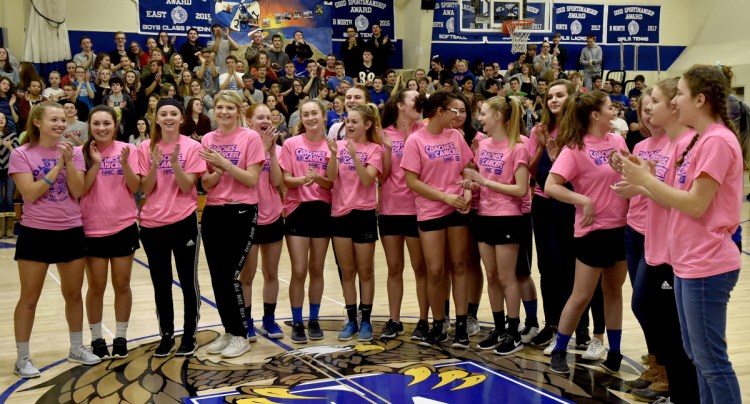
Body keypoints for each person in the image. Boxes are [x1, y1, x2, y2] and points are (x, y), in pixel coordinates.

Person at [619, 64, 742, 403]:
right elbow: (669, 198)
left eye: (681, 96)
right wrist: (644, 181)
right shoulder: (700, 140)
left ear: (700, 100)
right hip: (687, 261)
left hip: (709, 263)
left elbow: (696, 204)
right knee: (697, 357)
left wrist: (646, 181)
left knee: (712, 362)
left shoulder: (717, 141)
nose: (675, 103)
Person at [10, 101, 101, 378]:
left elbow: (77, 191)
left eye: (63, 120)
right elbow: (30, 193)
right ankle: (23, 357)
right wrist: (56, 168)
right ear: (38, 122)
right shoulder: (21, 154)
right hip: (35, 232)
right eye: (54, 120)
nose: (61, 124)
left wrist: (69, 163)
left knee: (73, 295)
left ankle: (76, 347)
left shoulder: (73, 153)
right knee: (29, 298)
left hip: (70, 229)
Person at [544, 91, 628, 375]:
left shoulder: (618, 141)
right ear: (594, 115)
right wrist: (583, 200)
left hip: (621, 227)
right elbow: (551, 186)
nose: (613, 109)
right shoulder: (574, 148)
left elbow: (630, 175)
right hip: (592, 231)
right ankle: (559, 350)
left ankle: (614, 353)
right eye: (608, 106)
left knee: (613, 292)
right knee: (580, 296)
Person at [401, 91, 474, 348]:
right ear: (439, 112)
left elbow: (466, 167)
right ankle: (438, 324)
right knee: (435, 270)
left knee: (459, 266)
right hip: (432, 210)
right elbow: (412, 181)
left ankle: (462, 325)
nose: (457, 115)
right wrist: (445, 198)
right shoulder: (415, 140)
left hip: (456, 208)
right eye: (452, 110)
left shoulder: (455, 136)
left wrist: (466, 192)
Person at [134, 98, 206, 357]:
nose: (168, 118)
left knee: (188, 281)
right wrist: (155, 163)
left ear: (181, 118)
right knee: (161, 283)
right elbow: (146, 188)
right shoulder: (144, 147)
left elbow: (188, 187)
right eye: (163, 113)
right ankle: (166, 335)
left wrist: (175, 162)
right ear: (156, 118)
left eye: (173, 114)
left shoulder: (192, 147)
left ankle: (189, 334)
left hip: (184, 221)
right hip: (153, 225)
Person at [197, 91, 265, 358]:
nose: (223, 112)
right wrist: (216, 173)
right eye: (218, 107)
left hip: (242, 211)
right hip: (214, 211)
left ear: (239, 110)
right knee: (217, 276)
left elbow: (251, 180)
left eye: (228, 107)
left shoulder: (251, 138)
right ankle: (229, 331)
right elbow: (205, 183)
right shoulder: (207, 139)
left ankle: (241, 334)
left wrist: (225, 164)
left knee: (230, 275)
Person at [460, 95, 528, 356]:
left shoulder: (518, 146)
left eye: (484, 113)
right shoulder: (483, 145)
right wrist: (472, 184)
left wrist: (484, 182)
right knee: (491, 276)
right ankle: (499, 328)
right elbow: (481, 179)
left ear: (498, 116)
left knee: (506, 277)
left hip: (508, 217)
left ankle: (514, 332)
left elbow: (521, 189)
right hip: (484, 215)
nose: (480, 118)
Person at [79, 106, 140, 359]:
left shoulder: (130, 150)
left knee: (122, 284)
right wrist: (96, 163)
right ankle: (96, 338)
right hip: (91, 227)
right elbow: (80, 189)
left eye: (107, 123)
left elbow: (136, 186)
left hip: (123, 226)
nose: (101, 128)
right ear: (89, 126)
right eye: (96, 123)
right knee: (96, 286)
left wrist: (125, 165)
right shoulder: (80, 152)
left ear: (115, 125)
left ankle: (122, 336)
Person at [325, 103, 383, 342]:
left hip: (364, 214)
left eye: (354, 122)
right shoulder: (337, 146)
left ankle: (366, 320)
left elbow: (368, 180)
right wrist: (335, 154)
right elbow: (330, 178)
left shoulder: (375, 150)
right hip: (339, 214)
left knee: (365, 271)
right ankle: (351, 320)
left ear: (367, 125)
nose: (349, 125)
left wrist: (352, 155)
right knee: (347, 271)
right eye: (347, 121)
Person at [279, 99, 334, 343]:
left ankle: (314, 319)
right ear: (300, 118)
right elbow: (285, 180)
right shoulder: (291, 144)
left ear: (323, 116)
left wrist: (318, 179)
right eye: (305, 114)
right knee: (299, 270)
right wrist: (303, 180)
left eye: (314, 113)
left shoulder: (333, 145)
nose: (310, 118)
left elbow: (332, 182)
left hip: (323, 209)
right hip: (297, 209)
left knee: (317, 269)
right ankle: (297, 321)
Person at [378, 89, 428, 340]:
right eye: (414, 99)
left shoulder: (425, 131)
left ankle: (423, 320)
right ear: (400, 105)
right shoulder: (384, 133)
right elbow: (382, 176)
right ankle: (394, 319)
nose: (420, 103)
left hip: (418, 209)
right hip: (389, 209)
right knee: (394, 267)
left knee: (421, 268)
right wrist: (387, 149)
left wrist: (411, 138)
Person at [238, 103, 285, 340]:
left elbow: (277, 181)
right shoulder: (244, 144)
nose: (265, 120)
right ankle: (246, 321)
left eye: (268, 117)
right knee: (247, 276)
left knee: (271, 273)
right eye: (260, 117)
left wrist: (272, 152)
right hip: (249, 217)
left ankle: (269, 320)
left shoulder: (277, 147)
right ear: (249, 121)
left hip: (273, 216)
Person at [0, 112, 18, 237]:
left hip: (9, 170)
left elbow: (18, 155)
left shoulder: (12, 135)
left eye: (3, 118)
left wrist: (10, 147)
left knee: (9, 198)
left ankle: (10, 229)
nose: (1, 120)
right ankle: (1, 230)